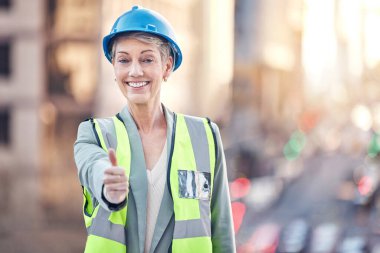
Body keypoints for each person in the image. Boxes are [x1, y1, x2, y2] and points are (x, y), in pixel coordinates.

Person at [74, 5, 236, 253]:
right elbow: (93, 167)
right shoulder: (94, 134)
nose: (135, 71)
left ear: (167, 67)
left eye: (147, 59)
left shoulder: (205, 136)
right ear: (115, 69)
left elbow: (221, 231)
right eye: (124, 60)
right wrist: (108, 185)